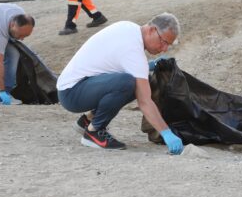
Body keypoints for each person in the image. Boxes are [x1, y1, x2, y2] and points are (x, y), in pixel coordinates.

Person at [57, 13, 184, 153]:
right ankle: (94, 132)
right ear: (152, 30)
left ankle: (87, 121)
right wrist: (166, 133)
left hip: (77, 86)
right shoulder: (133, 48)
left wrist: (148, 65)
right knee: (129, 82)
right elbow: (145, 101)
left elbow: (115, 62)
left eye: (168, 45)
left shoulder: (129, 28)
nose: (164, 48)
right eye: (163, 41)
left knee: (139, 79)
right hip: (72, 93)